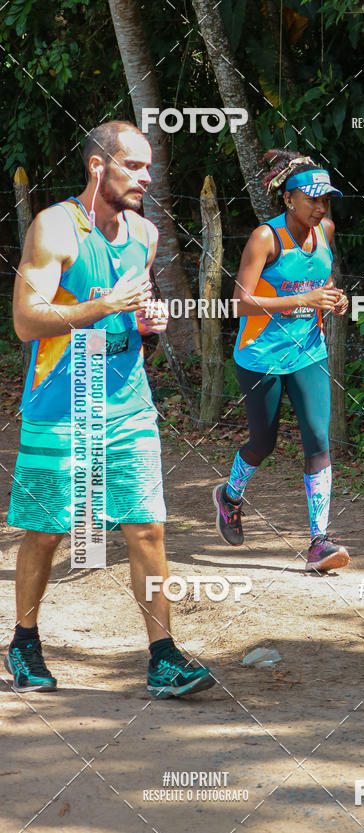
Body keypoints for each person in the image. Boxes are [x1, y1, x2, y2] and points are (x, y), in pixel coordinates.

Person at [5, 120, 215, 698]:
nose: (147, 178)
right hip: (59, 405)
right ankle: (23, 644)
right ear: (99, 166)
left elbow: (133, 314)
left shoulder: (144, 234)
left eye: (149, 168)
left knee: (147, 528)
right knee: (47, 532)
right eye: (135, 166)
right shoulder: (55, 229)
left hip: (127, 403)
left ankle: (164, 658)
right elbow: (26, 322)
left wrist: (148, 325)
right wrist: (104, 307)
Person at [213, 150, 350, 572]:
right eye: (312, 199)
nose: (321, 207)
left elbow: (321, 279)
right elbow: (240, 303)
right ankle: (230, 496)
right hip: (261, 356)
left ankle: (319, 542)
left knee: (318, 440)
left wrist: (332, 298)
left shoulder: (324, 229)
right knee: (263, 443)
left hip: (308, 351)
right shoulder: (265, 238)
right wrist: (302, 299)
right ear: (288, 199)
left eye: (325, 199)